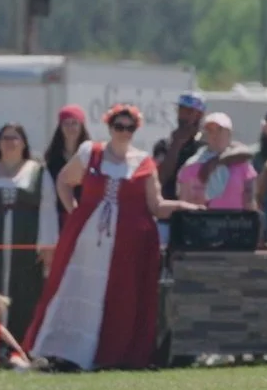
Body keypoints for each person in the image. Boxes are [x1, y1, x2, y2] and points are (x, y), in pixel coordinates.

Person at [29, 104, 199, 371]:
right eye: (118, 127)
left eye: (129, 128)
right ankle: (62, 352)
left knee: (118, 297)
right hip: (87, 240)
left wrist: (182, 207)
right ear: (109, 127)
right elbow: (64, 180)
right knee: (76, 288)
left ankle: (107, 355)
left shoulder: (143, 162)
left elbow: (155, 205)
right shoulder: (91, 153)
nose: (123, 132)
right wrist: (75, 211)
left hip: (127, 243)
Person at [0, 124, 58, 341]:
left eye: (15, 138)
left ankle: (22, 344)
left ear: (24, 142)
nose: (10, 142)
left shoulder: (38, 172)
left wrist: (47, 246)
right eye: (5, 138)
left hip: (26, 244)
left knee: (26, 292)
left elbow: (48, 208)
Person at [175, 112, 258, 211]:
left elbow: (249, 199)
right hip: (204, 221)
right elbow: (184, 201)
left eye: (220, 130)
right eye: (210, 130)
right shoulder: (192, 165)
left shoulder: (242, 164)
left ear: (229, 134)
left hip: (236, 222)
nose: (215, 135)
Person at [43, 105, 90, 225]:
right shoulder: (52, 158)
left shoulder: (89, 156)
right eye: (66, 124)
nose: (70, 128)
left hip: (85, 216)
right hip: (57, 217)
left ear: (81, 126)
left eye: (74, 123)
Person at [157, 92, 208, 201]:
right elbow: (160, 178)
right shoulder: (164, 145)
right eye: (181, 110)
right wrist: (176, 145)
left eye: (189, 112)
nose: (183, 116)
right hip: (169, 210)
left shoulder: (206, 145)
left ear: (199, 115)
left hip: (201, 211)